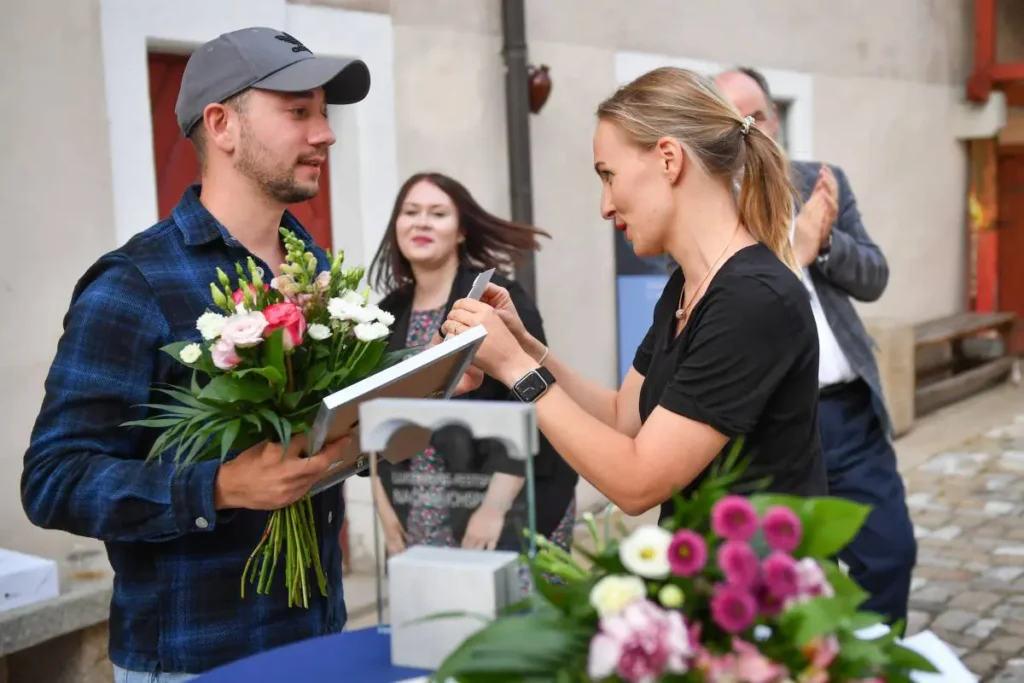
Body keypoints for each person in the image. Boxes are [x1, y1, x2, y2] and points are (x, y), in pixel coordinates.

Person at [21, 27, 373, 681]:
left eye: (324, 113)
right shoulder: (134, 282)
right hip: (197, 659)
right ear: (222, 124)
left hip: (318, 636)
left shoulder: (312, 267)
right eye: (299, 112)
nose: (325, 133)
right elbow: (54, 479)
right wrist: (219, 485)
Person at [442, 67, 828, 528]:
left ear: (669, 159)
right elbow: (622, 416)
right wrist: (525, 348)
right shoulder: (689, 285)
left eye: (609, 175)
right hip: (699, 583)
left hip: (757, 591)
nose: (605, 205)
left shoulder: (753, 301)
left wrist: (514, 369)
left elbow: (638, 483)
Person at [713, 66, 916, 627]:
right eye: (730, 120)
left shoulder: (821, 182)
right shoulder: (702, 207)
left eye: (753, 115)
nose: (745, 130)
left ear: (773, 120)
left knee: (889, 554)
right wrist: (795, 252)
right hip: (769, 422)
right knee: (789, 575)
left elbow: (874, 277)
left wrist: (825, 243)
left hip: (848, 414)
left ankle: (878, 657)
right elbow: (721, 308)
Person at [368, 172, 579, 583]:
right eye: (410, 212)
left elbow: (529, 404)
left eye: (438, 213)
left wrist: (494, 508)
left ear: (461, 231)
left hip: (509, 495)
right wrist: (384, 506)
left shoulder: (494, 299)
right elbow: (374, 418)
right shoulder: (384, 314)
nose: (422, 222)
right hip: (420, 499)